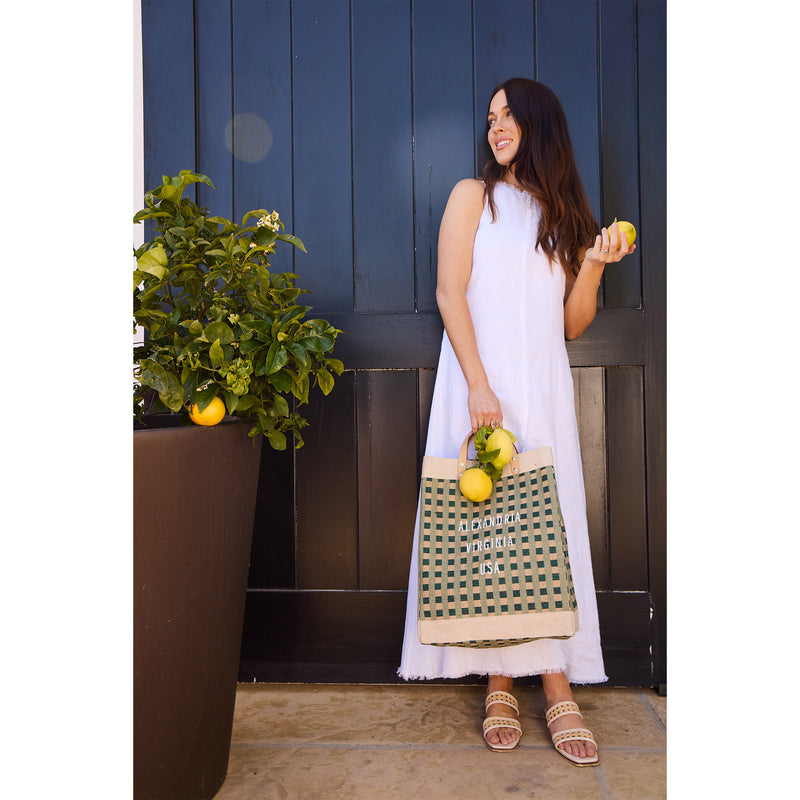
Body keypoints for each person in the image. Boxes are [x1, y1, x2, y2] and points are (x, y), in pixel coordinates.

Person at [398, 78, 636, 767]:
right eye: (491, 117)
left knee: (544, 528)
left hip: (543, 387)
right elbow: (450, 291)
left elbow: (571, 323)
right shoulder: (473, 198)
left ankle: (554, 676)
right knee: (489, 531)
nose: (497, 126)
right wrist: (478, 385)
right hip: (481, 383)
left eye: (510, 116)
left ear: (540, 124)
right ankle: (501, 676)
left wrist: (592, 263)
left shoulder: (562, 213)